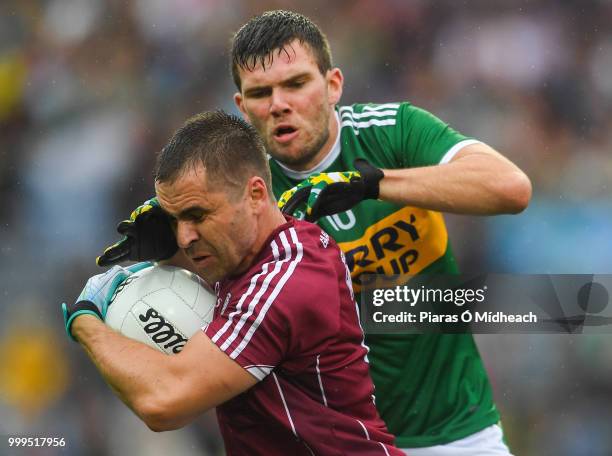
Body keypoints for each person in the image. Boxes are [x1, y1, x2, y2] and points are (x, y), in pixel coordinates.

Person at [97, 10, 532, 455]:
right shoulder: (240, 198)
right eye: (261, 93)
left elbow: (511, 189)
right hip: (336, 444)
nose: (279, 104)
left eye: (296, 84)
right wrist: (174, 246)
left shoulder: (392, 131)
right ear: (242, 108)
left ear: (333, 85)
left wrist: (370, 183)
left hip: (455, 433)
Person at [65, 110, 402, 455]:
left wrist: (86, 319)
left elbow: (164, 402)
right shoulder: (252, 257)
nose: (183, 237)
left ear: (255, 195)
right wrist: (173, 258)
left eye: (197, 215)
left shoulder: (285, 282)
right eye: (174, 219)